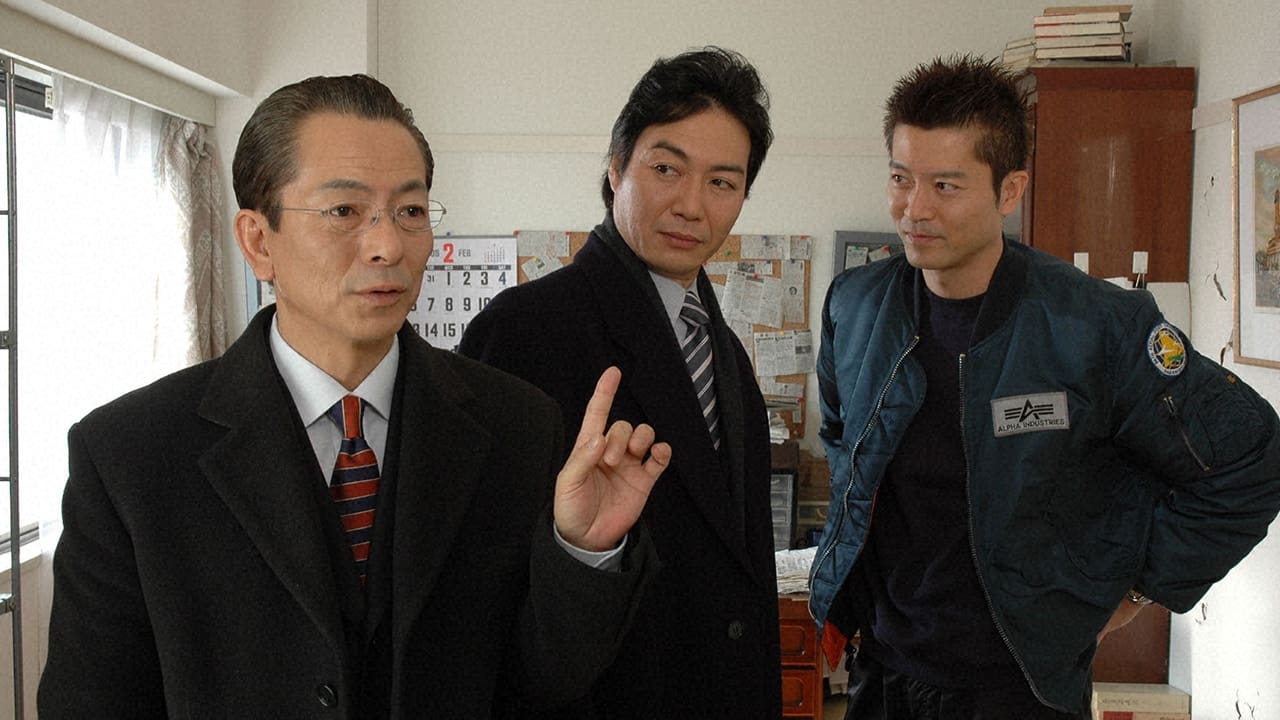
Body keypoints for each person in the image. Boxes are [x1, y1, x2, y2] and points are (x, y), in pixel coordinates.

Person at [38, 74, 670, 719]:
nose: (388, 245)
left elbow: (545, 685)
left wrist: (584, 551)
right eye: (343, 211)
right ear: (258, 241)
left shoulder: (520, 425)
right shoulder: (129, 455)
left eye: (411, 211)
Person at [808, 54, 1280, 719]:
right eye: (900, 178)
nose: (914, 209)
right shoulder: (854, 306)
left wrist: (1137, 592)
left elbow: (1251, 461)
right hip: (884, 672)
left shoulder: (1097, 327)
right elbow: (840, 439)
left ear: (1010, 191)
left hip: (1021, 686)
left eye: (945, 185)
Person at [459, 46, 782, 718]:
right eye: (666, 168)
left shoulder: (722, 347)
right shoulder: (523, 330)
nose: (691, 205)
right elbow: (481, 588)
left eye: (723, 183)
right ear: (615, 167)